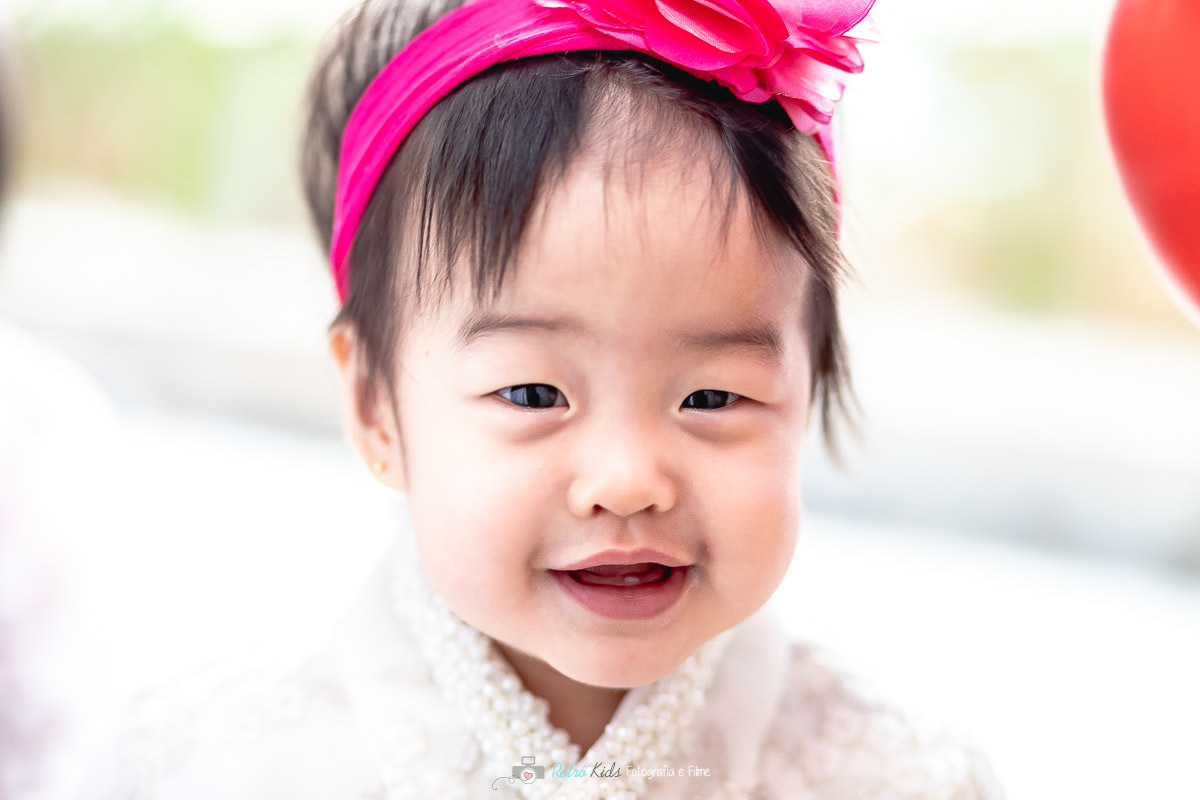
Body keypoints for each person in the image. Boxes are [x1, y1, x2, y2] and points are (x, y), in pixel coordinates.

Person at [83, 0, 1006, 797]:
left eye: (714, 396)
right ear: (374, 406)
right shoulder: (210, 770)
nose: (627, 480)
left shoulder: (900, 780)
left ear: (806, 391)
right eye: (533, 391)